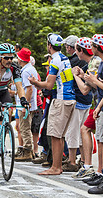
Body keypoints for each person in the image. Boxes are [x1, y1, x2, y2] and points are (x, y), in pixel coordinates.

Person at [29, 33, 76, 175]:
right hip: (69, 98)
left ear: (49, 45)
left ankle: (56, 167)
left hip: (61, 100)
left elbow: (49, 85)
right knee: (60, 135)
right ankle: (57, 166)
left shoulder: (55, 60)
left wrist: (35, 83)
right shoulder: (65, 58)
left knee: (55, 135)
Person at [71, 34, 103, 194]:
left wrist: (77, 76)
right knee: (94, 135)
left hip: (97, 104)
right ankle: (96, 171)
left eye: (76, 50)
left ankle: (90, 168)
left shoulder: (95, 62)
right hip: (97, 104)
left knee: (88, 132)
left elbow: (85, 89)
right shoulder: (96, 62)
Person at [63, 36, 93, 172]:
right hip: (89, 102)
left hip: (78, 99)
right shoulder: (89, 63)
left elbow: (85, 89)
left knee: (74, 132)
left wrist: (75, 75)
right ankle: (84, 162)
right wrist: (82, 75)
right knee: (83, 131)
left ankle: (72, 161)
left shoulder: (77, 62)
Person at [15, 48, 38, 162]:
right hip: (31, 104)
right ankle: (31, 151)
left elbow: (29, 89)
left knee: (25, 128)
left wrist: (25, 104)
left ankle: (27, 151)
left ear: (20, 59)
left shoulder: (25, 71)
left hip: (25, 104)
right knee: (26, 127)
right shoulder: (31, 69)